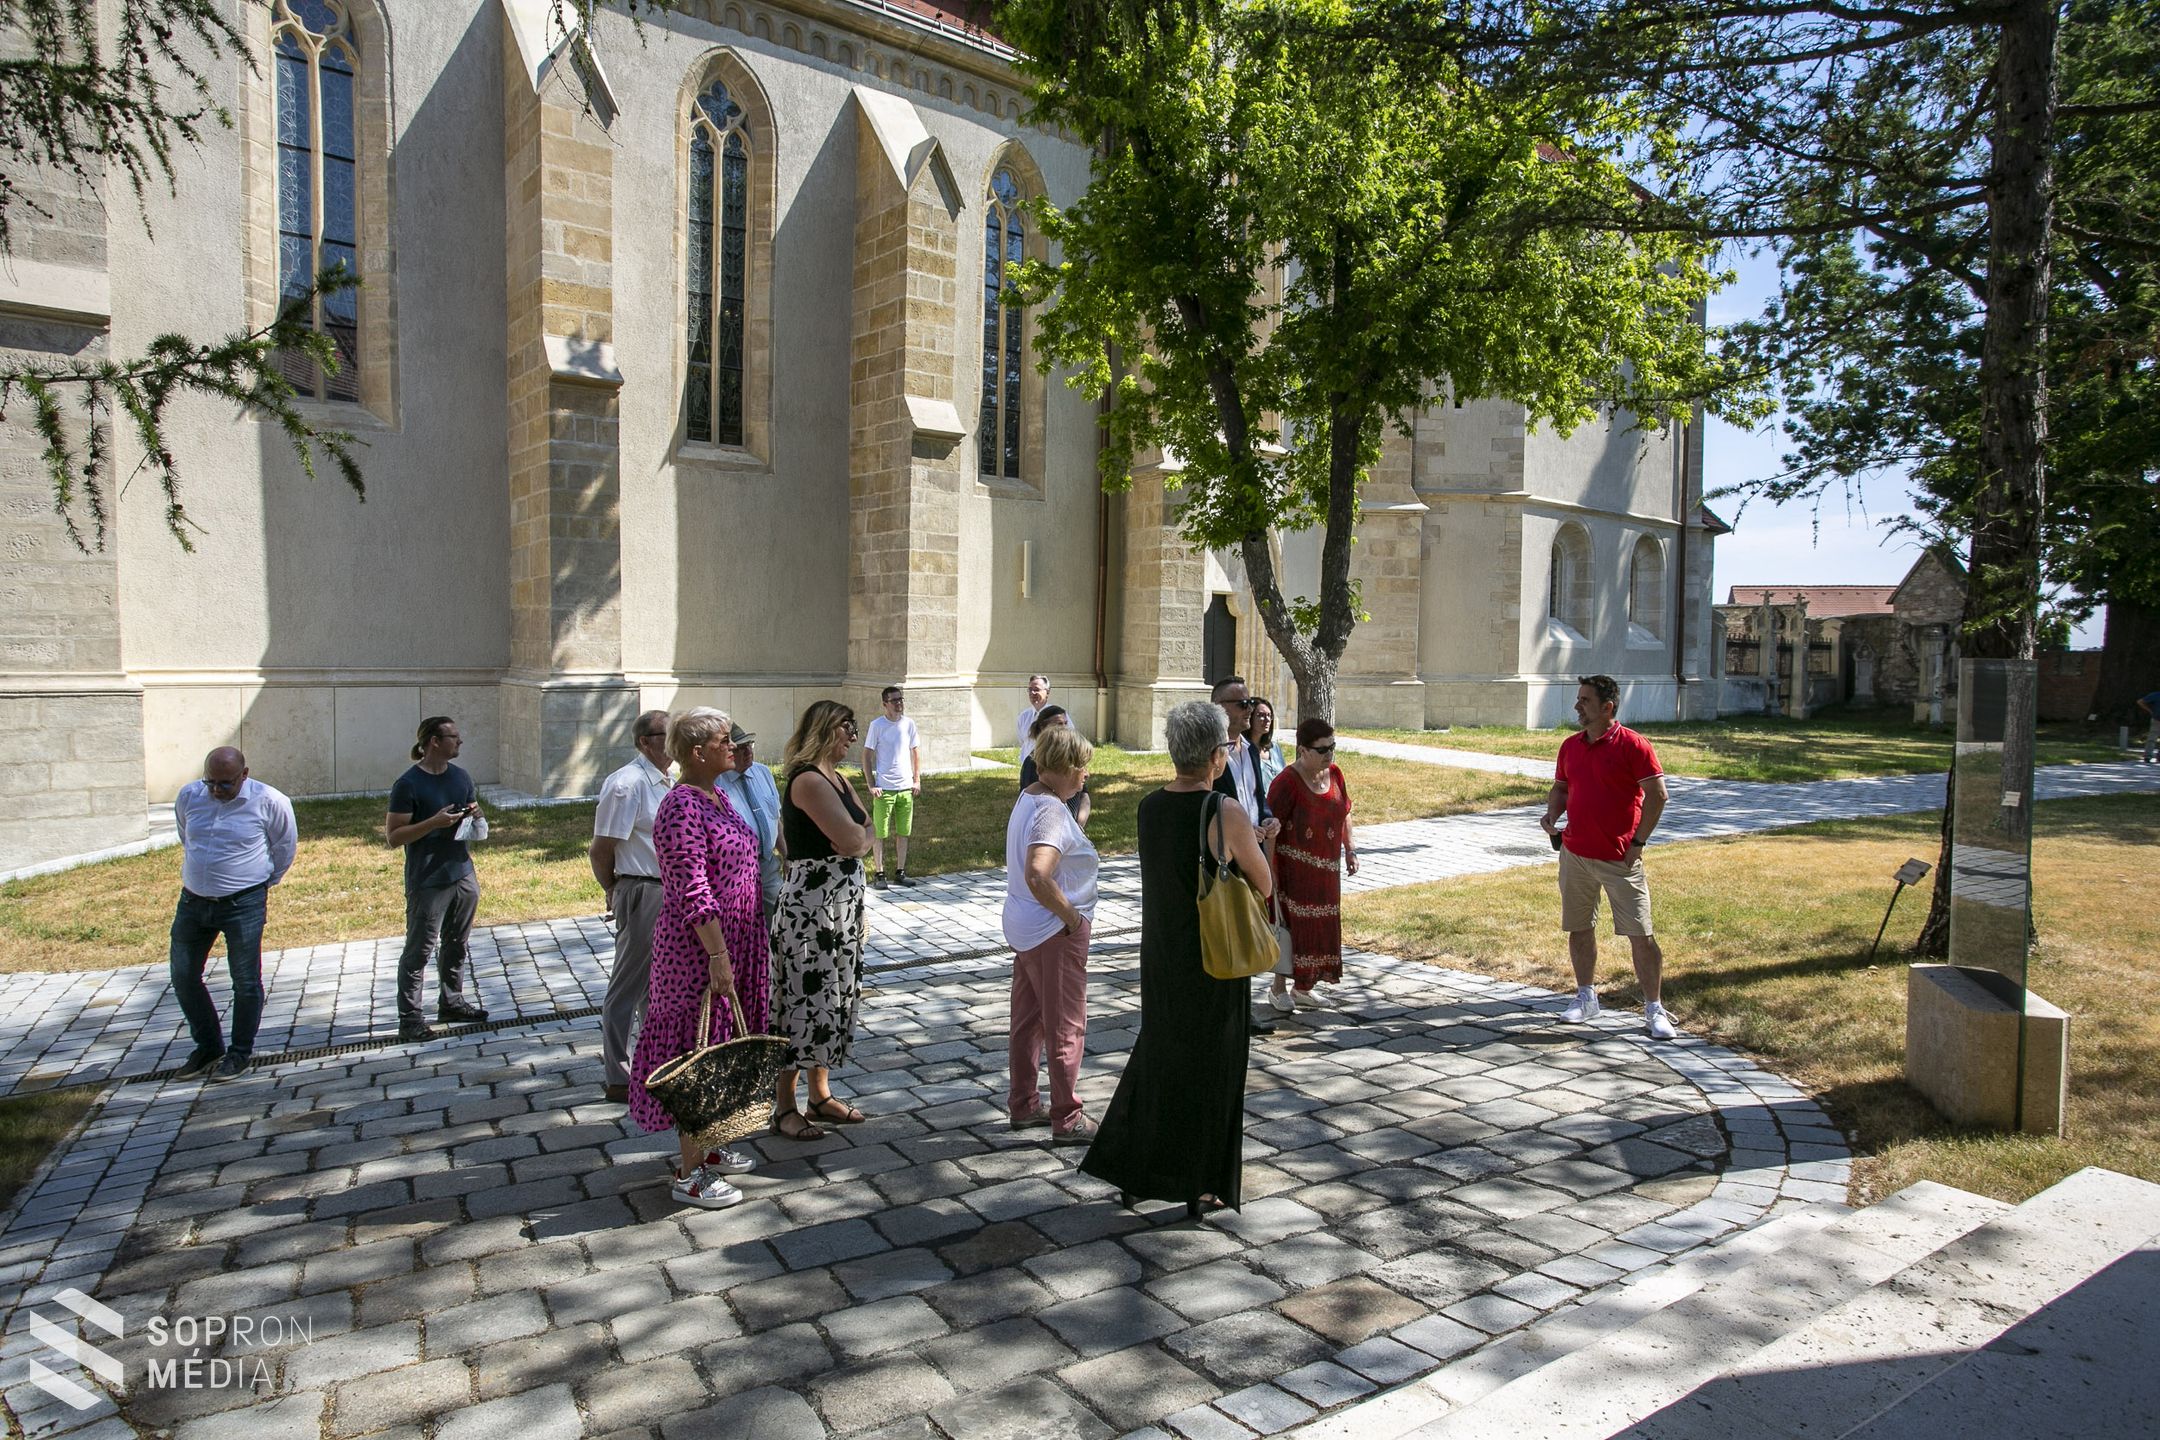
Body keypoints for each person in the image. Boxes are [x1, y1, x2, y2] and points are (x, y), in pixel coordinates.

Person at [1081, 701, 1272, 1217]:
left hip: (1163, 951)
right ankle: (1202, 1180)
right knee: (1215, 1067)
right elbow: (1264, 881)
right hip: (1214, 957)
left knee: (1163, 1058)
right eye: (1227, 747)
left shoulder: (1149, 807)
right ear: (1215, 755)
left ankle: (1140, 1167)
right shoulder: (1223, 810)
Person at [628, 708, 766, 1208]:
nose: (734, 746)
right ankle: (690, 1175)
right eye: (725, 740)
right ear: (696, 752)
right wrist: (718, 954)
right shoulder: (680, 806)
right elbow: (692, 889)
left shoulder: (720, 795)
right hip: (699, 952)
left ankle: (710, 1148)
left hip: (738, 943)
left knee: (723, 1045)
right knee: (696, 1052)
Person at [1541, 674, 1677, 1040]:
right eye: (1578, 699)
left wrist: (1638, 843)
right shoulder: (1570, 746)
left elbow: (1658, 795)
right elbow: (1561, 787)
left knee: (1640, 934)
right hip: (1575, 854)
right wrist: (1553, 816)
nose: (1577, 706)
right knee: (1579, 927)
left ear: (1607, 708)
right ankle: (1585, 997)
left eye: (1584, 700)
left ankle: (1654, 1009)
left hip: (1621, 858)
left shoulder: (1634, 746)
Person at [771, 699, 876, 1140]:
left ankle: (820, 1094)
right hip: (811, 911)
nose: (854, 736)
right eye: (847, 727)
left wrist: (860, 840)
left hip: (841, 907)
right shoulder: (809, 780)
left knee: (832, 997)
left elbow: (867, 830)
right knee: (801, 998)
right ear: (827, 729)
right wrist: (860, 840)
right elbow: (854, 837)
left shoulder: (839, 779)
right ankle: (783, 1106)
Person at [168, 747, 298, 1082]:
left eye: (225, 784)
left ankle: (239, 1053)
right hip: (194, 902)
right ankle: (208, 1047)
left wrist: (260, 882)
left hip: (244, 903)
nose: (216, 790)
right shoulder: (190, 796)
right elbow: (186, 836)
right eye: (210, 782)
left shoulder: (270, 801)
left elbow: (284, 848)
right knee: (183, 975)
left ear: (244, 774)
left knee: (244, 980)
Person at [1002, 725, 1100, 1145]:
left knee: (1027, 1020)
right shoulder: (1049, 810)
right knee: (1065, 1024)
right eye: (1081, 767)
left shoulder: (1033, 797)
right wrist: (1073, 920)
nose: (1085, 776)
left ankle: (1024, 1104)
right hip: (1051, 931)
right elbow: (1039, 874)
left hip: (1025, 927)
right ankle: (1067, 1116)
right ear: (1062, 767)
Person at [385, 716, 488, 1043]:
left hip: (462, 871)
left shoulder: (460, 776)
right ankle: (410, 1017)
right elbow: (394, 836)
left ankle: (452, 1001)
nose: (459, 742)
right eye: (452, 737)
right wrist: (432, 823)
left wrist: (476, 815)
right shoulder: (408, 784)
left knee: (457, 944)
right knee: (419, 950)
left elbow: (475, 812)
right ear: (432, 742)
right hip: (428, 879)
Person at [589, 710, 672, 1104]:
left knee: (654, 988)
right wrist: (614, 889)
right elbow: (601, 848)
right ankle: (618, 1074)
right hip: (642, 889)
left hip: (668, 891)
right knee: (627, 984)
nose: (673, 740)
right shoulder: (627, 784)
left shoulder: (667, 781)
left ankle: (652, 1064)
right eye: (665, 734)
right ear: (645, 742)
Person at [1266, 718, 1358, 1012]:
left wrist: (1350, 850)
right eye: (1322, 750)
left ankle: (1304, 988)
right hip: (1293, 870)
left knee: (1320, 926)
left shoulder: (1335, 774)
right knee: (1291, 928)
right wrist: (1268, 870)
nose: (1329, 755)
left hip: (1326, 870)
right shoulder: (1286, 783)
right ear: (1302, 750)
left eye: (1332, 747)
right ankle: (1278, 988)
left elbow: (1344, 812)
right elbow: (1270, 827)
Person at [1209, 675, 1282, 1033]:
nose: (1249, 709)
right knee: (1226, 932)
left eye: (1250, 702)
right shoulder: (1208, 751)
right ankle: (1225, 1011)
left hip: (1254, 851)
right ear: (1219, 707)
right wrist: (1239, 832)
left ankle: (1242, 1010)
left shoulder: (1250, 750)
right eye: (1242, 704)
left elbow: (1257, 797)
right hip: (1223, 856)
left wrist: (1269, 820)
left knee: (1250, 928)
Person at [715, 722, 783, 921]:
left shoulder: (762, 772)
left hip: (768, 862)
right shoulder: (716, 783)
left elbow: (775, 819)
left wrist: (787, 855)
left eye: (749, 745)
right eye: (740, 748)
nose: (748, 752)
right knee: (743, 921)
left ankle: (774, 952)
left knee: (779, 917)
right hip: (735, 870)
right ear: (727, 752)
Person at [863, 684, 922, 888]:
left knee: (904, 832)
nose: (899, 704)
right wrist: (871, 784)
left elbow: (915, 752)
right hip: (884, 788)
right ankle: (879, 873)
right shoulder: (877, 725)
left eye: (901, 700)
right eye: (894, 700)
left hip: (905, 788)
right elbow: (867, 756)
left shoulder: (909, 724)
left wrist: (917, 780)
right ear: (884, 704)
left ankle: (900, 871)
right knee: (880, 833)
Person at [1016, 705, 1091, 826]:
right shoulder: (1032, 763)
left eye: (1066, 723)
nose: (1064, 728)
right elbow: (1037, 805)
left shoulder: (1069, 757)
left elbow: (1084, 795)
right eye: (1059, 724)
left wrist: (1078, 825)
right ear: (1042, 728)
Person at [1250, 698, 1288, 793]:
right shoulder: (1243, 750)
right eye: (1261, 715)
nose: (1267, 720)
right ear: (1250, 718)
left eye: (1269, 715)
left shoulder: (1274, 748)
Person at [1017, 673, 1051, 760]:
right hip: (1028, 767)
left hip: (1050, 767)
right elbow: (1023, 741)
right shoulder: (1023, 717)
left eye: (1036, 689)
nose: (1032, 693)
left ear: (1047, 692)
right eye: (1030, 689)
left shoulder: (1058, 715)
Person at [2139, 689, 2160, 764]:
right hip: (2157, 719)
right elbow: (2140, 702)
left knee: (2152, 738)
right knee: (2152, 738)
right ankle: (2147, 755)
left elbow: (2140, 702)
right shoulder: (2157, 694)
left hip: (2156, 718)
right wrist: (2150, 711)